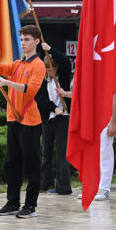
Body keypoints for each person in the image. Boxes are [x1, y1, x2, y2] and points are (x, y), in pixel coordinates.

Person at [0, 26, 47, 219]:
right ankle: (12, 202)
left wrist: (7, 82)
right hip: (13, 118)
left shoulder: (39, 65)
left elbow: (30, 89)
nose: (23, 43)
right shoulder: (19, 63)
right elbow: (3, 68)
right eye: (22, 39)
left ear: (36, 42)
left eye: (27, 39)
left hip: (30, 120)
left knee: (31, 164)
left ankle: (30, 206)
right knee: (12, 163)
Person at [41, 47, 73, 196]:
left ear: (56, 68)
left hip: (63, 118)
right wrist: (54, 108)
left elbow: (65, 61)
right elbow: (41, 100)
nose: (50, 72)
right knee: (46, 152)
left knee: (62, 154)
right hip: (49, 119)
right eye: (48, 69)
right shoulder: (43, 81)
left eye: (53, 69)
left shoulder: (63, 78)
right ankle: (46, 183)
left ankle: (63, 186)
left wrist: (51, 50)